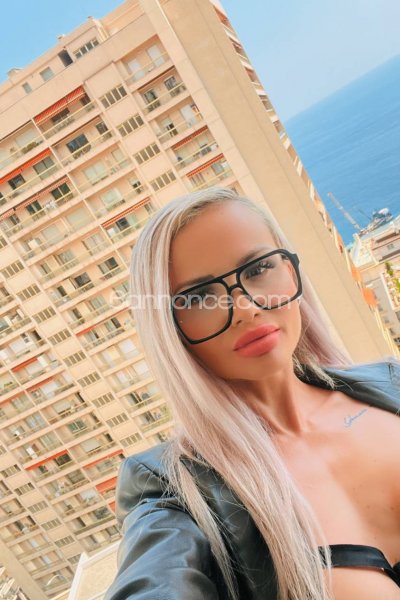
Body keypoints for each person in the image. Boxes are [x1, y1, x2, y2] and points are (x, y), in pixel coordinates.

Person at [105, 187, 400, 600]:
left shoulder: (391, 382)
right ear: (168, 327)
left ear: (290, 268)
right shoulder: (176, 491)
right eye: (199, 297)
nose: (246, 307)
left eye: (258, 268)